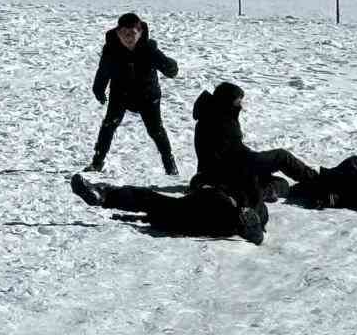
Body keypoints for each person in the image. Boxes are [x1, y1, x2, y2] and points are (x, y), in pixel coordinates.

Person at [71, 82, 315, 246]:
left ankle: (104, 195)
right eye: (239, 101)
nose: (242, 106)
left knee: (157, 204)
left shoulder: (216, 118)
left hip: (209, 194)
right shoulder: (221, 123)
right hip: (221, 187)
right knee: (276, 172)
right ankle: (314, 184)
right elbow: (240, 163)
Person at [88, 11, 179, 175]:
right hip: (120, 93)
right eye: (123, 34)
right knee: (108, 125)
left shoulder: (149, 49)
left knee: (156, 130)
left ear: (140, 32)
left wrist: (170, 66)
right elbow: (103, 71)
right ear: (118, 33)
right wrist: (99, 89)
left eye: (132, 34)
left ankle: (170, 165)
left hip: (148, 95)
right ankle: (97, 162)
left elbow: (169, 69)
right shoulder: (111, 49)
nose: (128, 38)